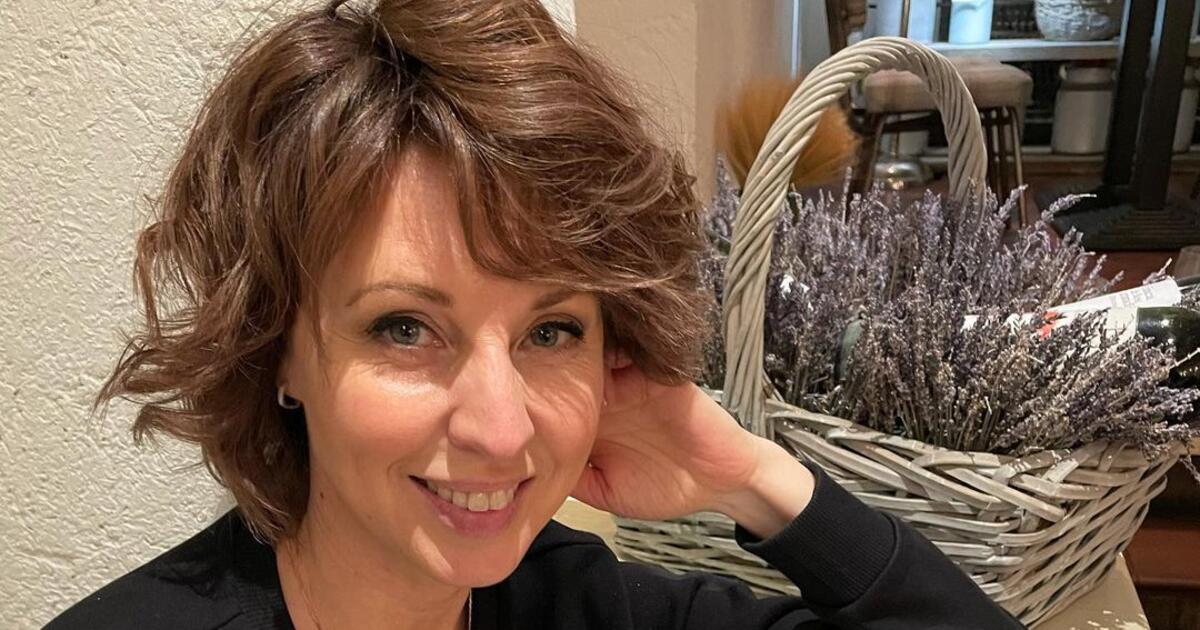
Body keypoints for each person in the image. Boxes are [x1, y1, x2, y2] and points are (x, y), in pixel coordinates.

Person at [47, 1, 1025, 628]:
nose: (501, 428)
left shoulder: (583, 605)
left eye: (551, 331)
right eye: (403, 327)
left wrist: (750, 475)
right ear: (278, 351)